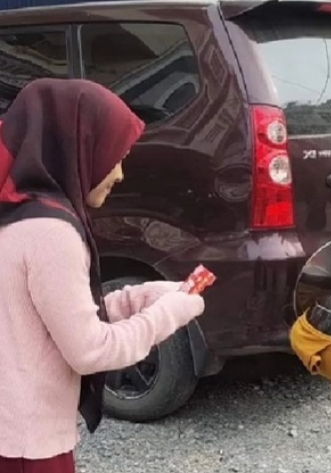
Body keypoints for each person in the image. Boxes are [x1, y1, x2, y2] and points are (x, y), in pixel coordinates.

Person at [0, 78, 205, 473]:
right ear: (80, 145)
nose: (120, 173)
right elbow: (91, 351)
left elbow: (44, 320)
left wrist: (139, 298)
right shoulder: (50, 233)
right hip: (28, 448)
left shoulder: (15, 214)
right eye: (117, 154)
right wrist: (172, 313)